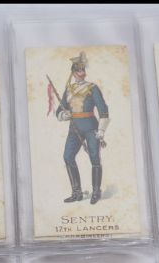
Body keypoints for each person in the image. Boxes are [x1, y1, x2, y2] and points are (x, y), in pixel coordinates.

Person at [56, 52, 110, 205]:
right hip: (74, 128)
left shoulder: (92, 88)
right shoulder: (69, 89)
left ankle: (96, 191)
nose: (81, 73)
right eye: (78, 70)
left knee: (94, 158)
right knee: (68, 157)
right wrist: (64, 115)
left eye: (83, 70)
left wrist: (101, 130)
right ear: (73, 73)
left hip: (91, 127)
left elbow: (103, 110)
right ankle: (77, 192)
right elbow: (59, 110)